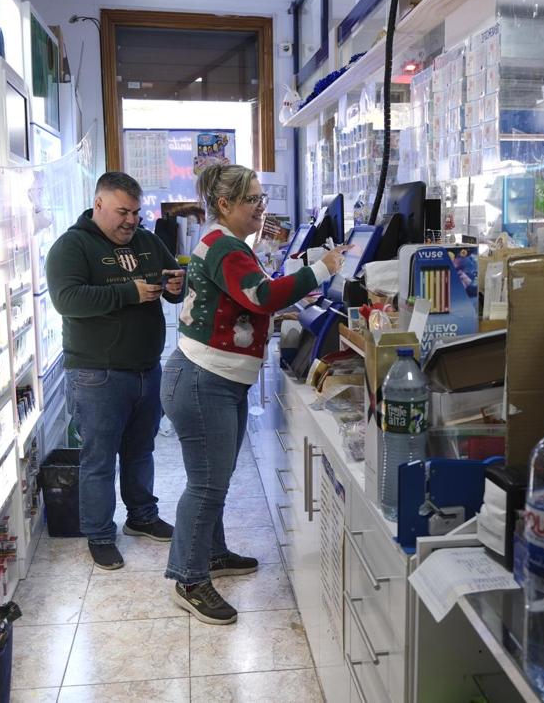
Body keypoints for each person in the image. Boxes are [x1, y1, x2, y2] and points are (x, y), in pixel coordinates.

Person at [163, 164, 347, 624]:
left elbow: (249, 300)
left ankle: (213, 553)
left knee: (215, 477)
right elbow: (260, 295)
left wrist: (297, 294)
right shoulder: (224, 246)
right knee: (207, 483)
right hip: (203, 380)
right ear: (225, 205)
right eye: (253, 200)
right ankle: (188, 577)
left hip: (216, 379)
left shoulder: (225, 243)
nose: (261, 209)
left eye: (262, 199)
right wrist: (322, 269)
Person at [46, 171, 186, 570]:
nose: (130, 220)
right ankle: (100, 534)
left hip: (146, 368)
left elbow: (173, 277)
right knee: (100, 459)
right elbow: (68, 300)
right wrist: (130, 291)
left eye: (136, 213)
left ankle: (141, 517)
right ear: (99, 205)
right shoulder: (71, 247)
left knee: (141, 451)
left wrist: (177, 286)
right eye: (122, 211)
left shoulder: (146, 241)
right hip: (96, 374)